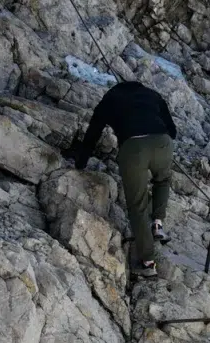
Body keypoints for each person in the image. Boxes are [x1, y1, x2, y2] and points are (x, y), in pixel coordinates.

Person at [71, 81, 176, 274]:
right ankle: (158, 224)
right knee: (162, 180)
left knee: (138, 205)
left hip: (134, 147)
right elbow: (173, 130)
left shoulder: (110, 97)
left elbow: (94, 132)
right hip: (163, 142)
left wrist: (81, 163)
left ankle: (148, 263)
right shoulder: (152, 94)